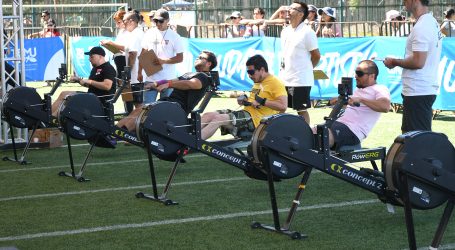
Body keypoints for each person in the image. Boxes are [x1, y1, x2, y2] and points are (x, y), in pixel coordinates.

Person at [116, 50, 217, 132]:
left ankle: (122, 132)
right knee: (139, 109)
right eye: (198, 56)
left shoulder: (204, 76)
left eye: (201, 58)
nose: (197, 58)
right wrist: (155, 84)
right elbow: (171, 80)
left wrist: (168, 85)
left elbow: (192, 84)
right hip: (170, 103)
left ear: (209, 63)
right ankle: (115, 130)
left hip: (178, 108)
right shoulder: (189, 74)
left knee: (143, 112)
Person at [384, 0, 443, 133]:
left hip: (418, 91)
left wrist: (394, 62)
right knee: (415, 138)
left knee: (416, 141)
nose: (404, 1)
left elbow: (418, 62)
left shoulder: (422, 26)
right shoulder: (430, 22)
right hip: (421, 90)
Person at [200, 54, 287, 140]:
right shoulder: (258, 81)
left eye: (251, 72)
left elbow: (283, 106)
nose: (249, 76)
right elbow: (255, 99)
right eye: (248, 72)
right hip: (247, 115)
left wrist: (263, 102)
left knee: (218, 119)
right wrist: (245, 99)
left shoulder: (275, 83)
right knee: (208, 115)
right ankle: (190, 138)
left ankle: (193, 143)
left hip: (257, 122)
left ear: (262, 69)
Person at [317, 60, 391, 149]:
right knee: (307, 132)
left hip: (353, 131)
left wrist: (361, 100)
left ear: (372, 76)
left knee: (320, 137)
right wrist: (340, 101)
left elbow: (385, 107)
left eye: (359, 73)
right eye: (356, 73)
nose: (356, 76)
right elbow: (348, 108)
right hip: (337, 124)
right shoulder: (357, 90)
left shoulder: (380, 89)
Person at [279, 1, 321, 124]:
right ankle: (280, 133)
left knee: (301, 110)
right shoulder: (285, 31)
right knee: (280, 108)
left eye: (292, 9)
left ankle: (306, 136)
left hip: (300, 80)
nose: (288, 10)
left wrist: (307, 68)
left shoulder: (308, 32)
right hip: (284, 78)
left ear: (300, 14)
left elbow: (316, 55)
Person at [51, 47, 116, 116]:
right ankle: (49, 116)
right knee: (63, 94)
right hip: (91, 96)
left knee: (67, 97)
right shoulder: (95, 69)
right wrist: (78, 80)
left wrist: (90, 81)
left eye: (92, 57)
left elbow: (107, 86)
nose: (89, 59)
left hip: (100, 99)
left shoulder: (108, 68)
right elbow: (90, 85)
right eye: (89, 57)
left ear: (100, 56)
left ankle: (53, 119)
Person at [139, 8, 184, 104]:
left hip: (167, 79)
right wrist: (139, 72)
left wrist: (163, 61)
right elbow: (143, 53)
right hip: (150, 78)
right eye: (155, 21)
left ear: (167, 20)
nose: (158, 23)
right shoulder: (149, 33)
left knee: (166, 108)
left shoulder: (175, 36)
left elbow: (180, 58)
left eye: (161, 21)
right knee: (146, 108)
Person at [100, 10, 133, 114]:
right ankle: (127, 111)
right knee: (123, 90)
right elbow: (118, 50)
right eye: (116, 22)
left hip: (126, 63)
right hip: (119, 62)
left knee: (127, 89)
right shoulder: (121, 32)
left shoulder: (130, 33)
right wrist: (109, 46)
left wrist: (111, 43)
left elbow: (127, 48)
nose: (117, 25)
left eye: (119, 22)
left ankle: (130, 112)